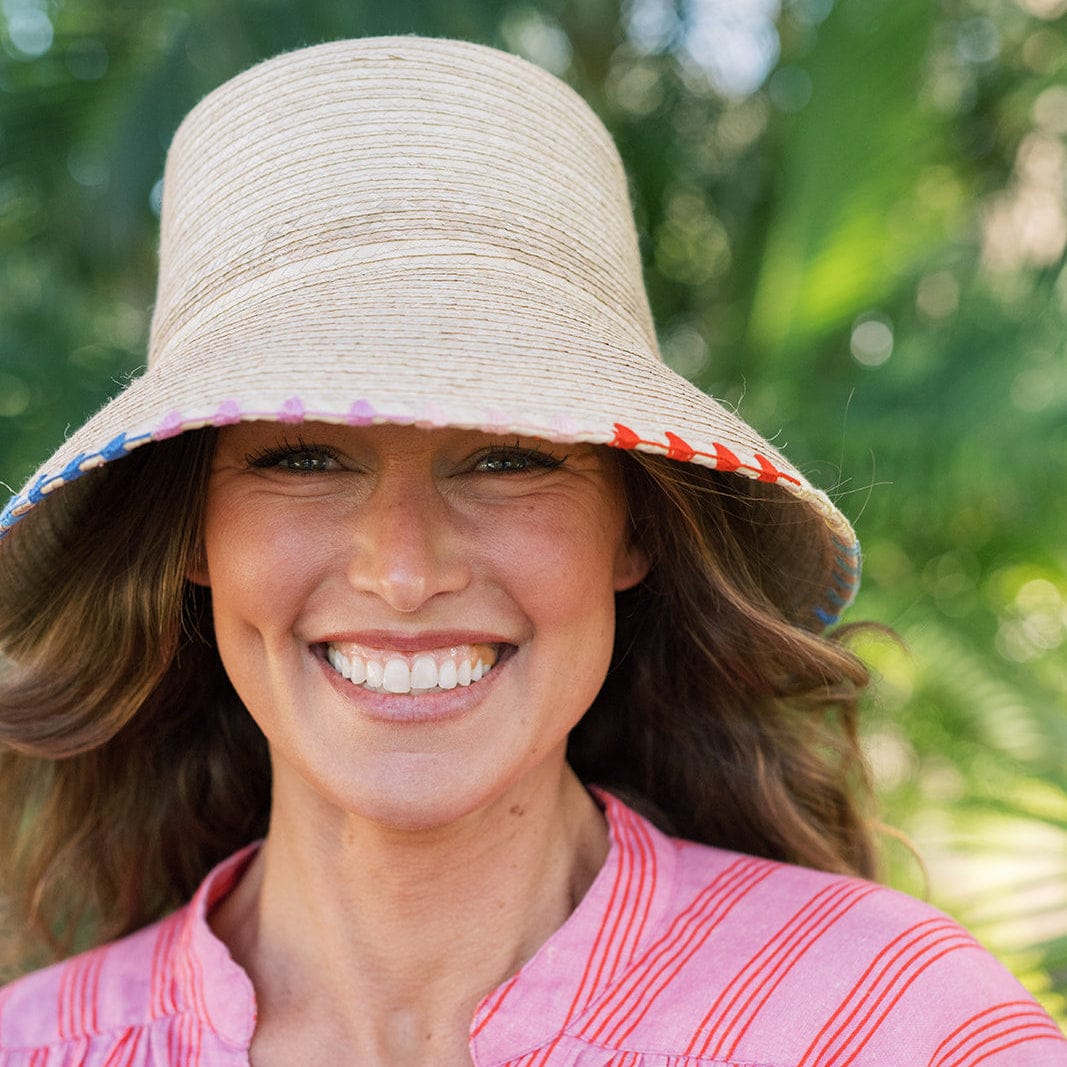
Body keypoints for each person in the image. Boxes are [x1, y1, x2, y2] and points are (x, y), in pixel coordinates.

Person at [0, 36, 1062, 1067]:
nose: (404, 570)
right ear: (191, 531)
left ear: (634, 525)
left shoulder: (898, 1025)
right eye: (306, 458)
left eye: (507, 458)